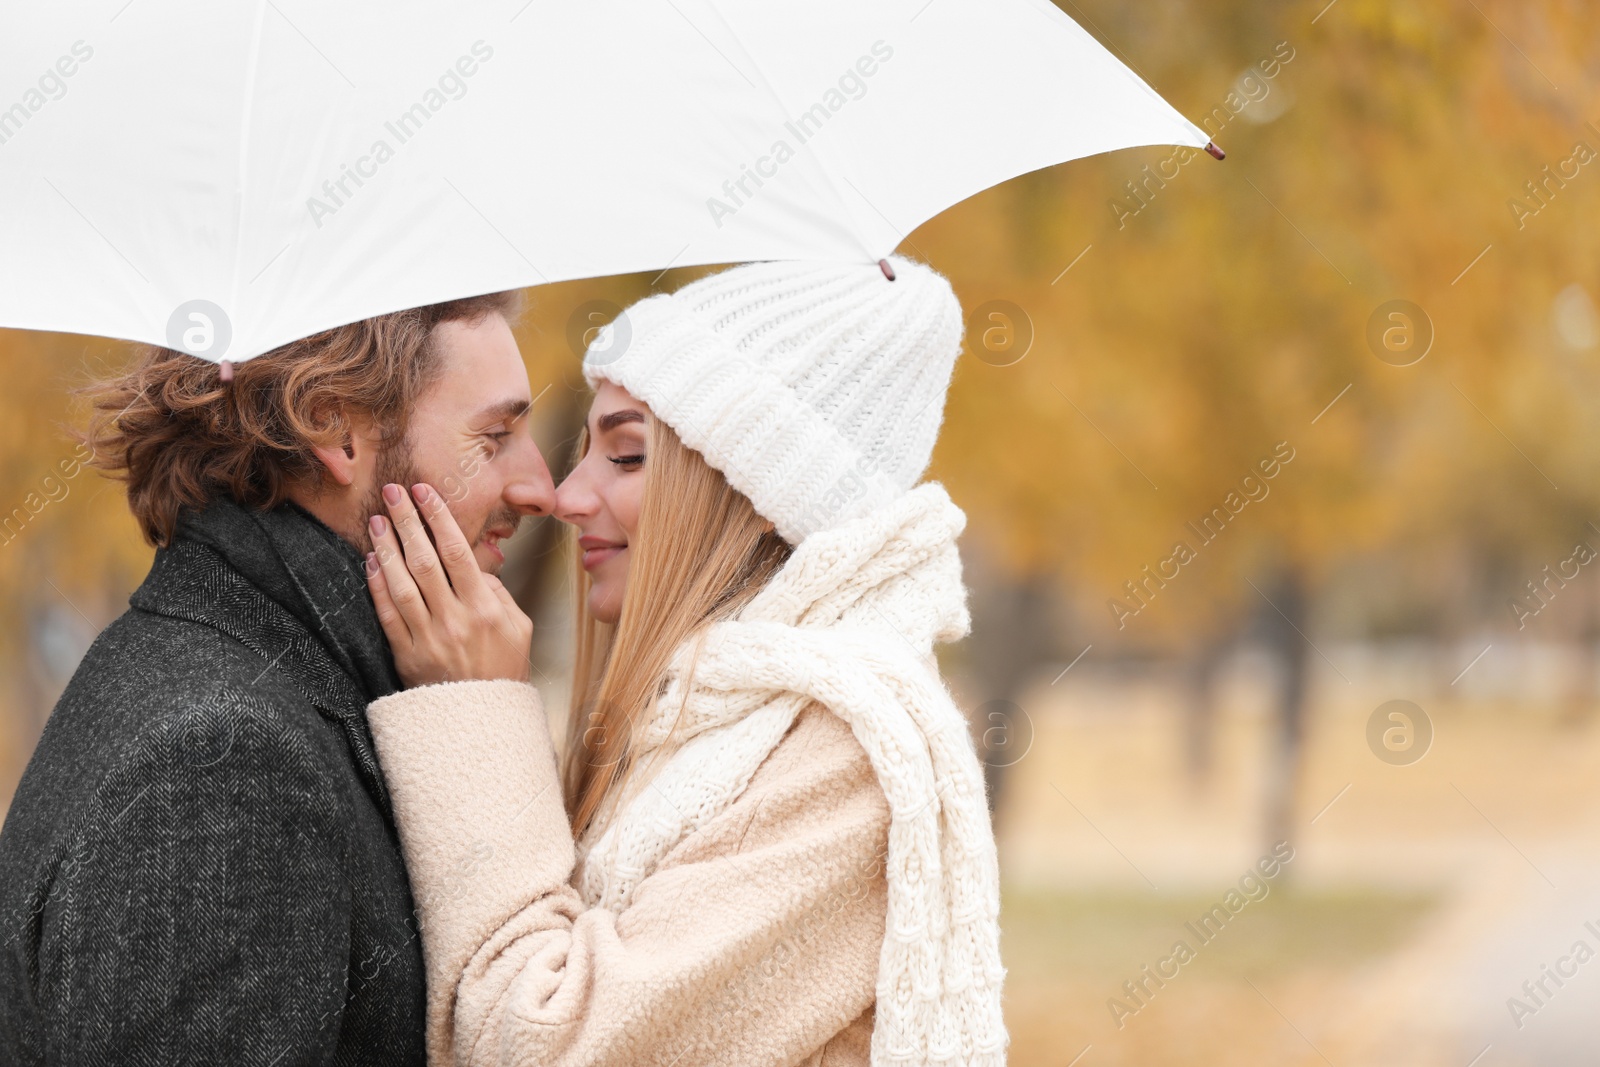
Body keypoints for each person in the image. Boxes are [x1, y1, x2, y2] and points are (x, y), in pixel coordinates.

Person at [363, 256, 1008, 1066]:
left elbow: (541, 1044)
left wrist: (477, 707)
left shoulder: (844, 760)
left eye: (627, 457)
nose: (566, 495)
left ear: (751, 491)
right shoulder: (699, 722)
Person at [0, 292, 555, 1065]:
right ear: (335, 428)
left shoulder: (259, 682)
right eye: (493, 438)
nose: (542, 488)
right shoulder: (221, 760)